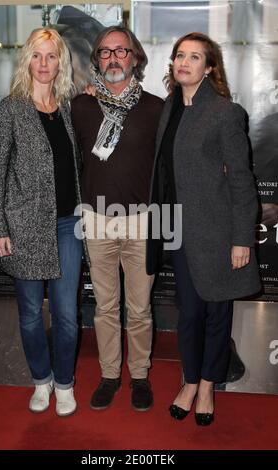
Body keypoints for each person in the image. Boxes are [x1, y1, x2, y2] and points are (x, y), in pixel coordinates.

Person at [147, 32, 261, 425]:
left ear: (209, 68)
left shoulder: (225, 113)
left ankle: (209, 384)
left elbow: (242, 181)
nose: (184, 62)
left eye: (195, 57)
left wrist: (242, 238)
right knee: (189, 313)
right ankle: (190, 380)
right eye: (180, 55)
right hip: (178, 232)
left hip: (217, 231)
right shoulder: (168, 109)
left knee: (216, 312)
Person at [0, 28, 85, 417]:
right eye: (37, 56)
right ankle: (40, 380)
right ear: (27, 60)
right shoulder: (11, 107)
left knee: (67, 314)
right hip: (24, 225)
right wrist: (0, 229)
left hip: (67, 225)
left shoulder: (69, 107)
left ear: (61, 62)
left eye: (52, 56)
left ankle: (64, 384)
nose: (44, 64)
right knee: (29, 313)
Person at [71, 26, 163, 411]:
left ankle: (139, 376)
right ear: (97, 60)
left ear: (135, 58)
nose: (112, 57)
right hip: (96, 219)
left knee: (139, 308)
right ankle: (110, 375)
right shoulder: (80, 105)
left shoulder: (158, 108)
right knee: (106, 306)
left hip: (142, 220)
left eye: (120, 51)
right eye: (105, 52)